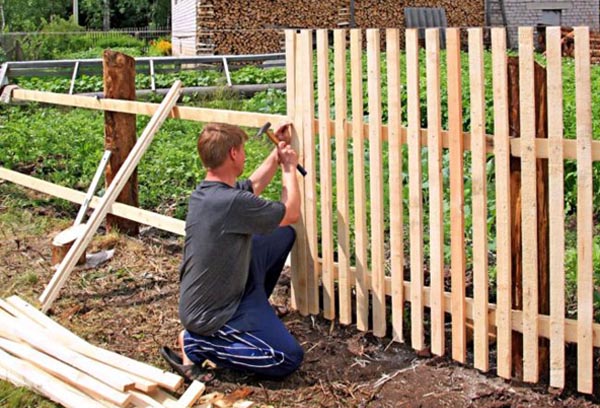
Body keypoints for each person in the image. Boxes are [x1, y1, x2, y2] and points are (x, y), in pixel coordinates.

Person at [161, 122, 303, 382]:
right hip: (212, 314)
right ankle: (195, 344)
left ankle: (258, 305)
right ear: (233, 154)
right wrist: (289, 168)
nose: (245, 155)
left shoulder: (209, 193)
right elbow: (291, 211)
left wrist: (276, 155)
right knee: (287, 358)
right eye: (243, 149)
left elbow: (252, 185)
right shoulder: (231, 203)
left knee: (281, 234)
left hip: (229, 292)